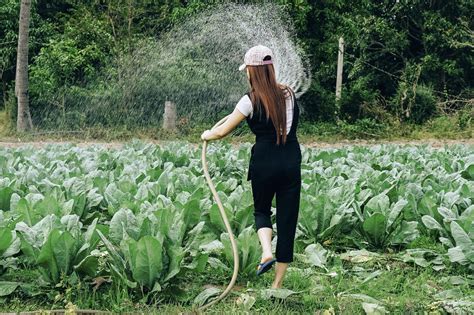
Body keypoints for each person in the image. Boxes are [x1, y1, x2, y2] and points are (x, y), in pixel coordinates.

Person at [201, 45, 301, 289]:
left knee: (262, 211)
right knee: (287, 221)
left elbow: (222, 131)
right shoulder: (288, 93)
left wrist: (207, 134)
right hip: (290, 161)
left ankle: (266, 251)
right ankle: (277, 285)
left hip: (264, 162)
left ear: (252, 72)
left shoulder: (250, 100)